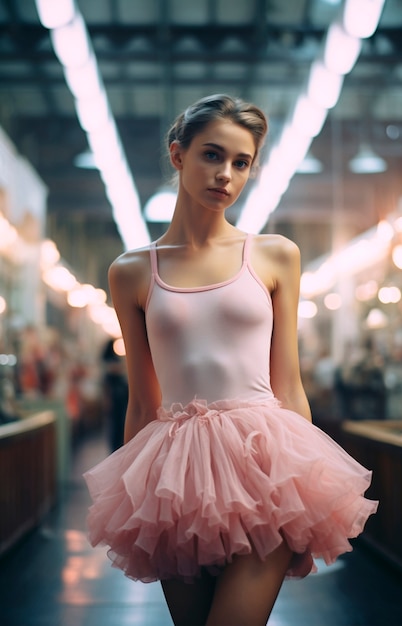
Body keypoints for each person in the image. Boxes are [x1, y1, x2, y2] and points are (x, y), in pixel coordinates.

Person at [83, 94, 378, 626]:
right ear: (178, 156)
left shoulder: (275, 254)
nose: (226, 174)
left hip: (265, 462)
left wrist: (303, 487)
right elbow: (143, 401)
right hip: (174, 473)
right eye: (212, 156)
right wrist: (132, 493)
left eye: (241, 163)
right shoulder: (130, 270)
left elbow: (289, 386)